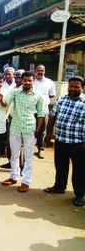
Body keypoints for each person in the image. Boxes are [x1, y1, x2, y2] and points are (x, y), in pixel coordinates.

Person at [0, 71, 45, 192]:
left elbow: (41, 114)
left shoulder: (38, 95)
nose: (27, 82)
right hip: (15, 127)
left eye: (30, 80)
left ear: (33, 81)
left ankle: (26, 181)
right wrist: (0, 99)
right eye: (25, 80)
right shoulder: (15, 92)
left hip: (30, 129)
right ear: (22, 81)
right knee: (14, 154)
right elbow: (5, 103)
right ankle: (14, 177)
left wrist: (38, 130)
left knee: (29, 156)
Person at [44, 76, 85, 207]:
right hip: (61, 140)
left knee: (79, 170)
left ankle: (79, 194)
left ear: (83, 88)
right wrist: (49, 133)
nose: (73, 89)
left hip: (78, 143)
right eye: (71, 86)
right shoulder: (62, 99)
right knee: (60, 165)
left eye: (76, 87)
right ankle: (59, 187)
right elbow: (52, 116)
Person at [33, 64, 56, 159]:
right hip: (31, 110)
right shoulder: (32, 81)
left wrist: (43, 100)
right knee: (30, 129)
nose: (40, 72)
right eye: (38, 70)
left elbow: (52, 95)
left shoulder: (49, 82)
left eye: (42, 70)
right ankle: (28, 149)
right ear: (35, 71)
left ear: (44, 71)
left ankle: (41, 149)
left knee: (42, 131)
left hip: (43, 110)